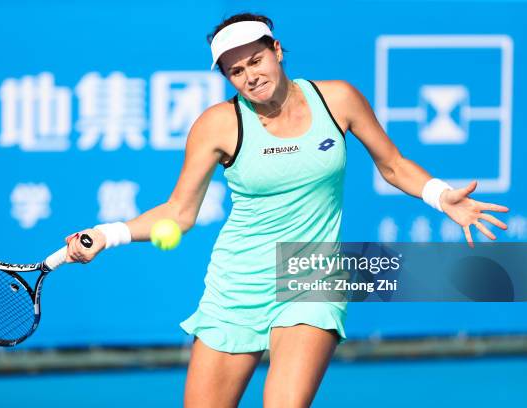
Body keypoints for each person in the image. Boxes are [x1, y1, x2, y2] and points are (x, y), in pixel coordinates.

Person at [63, 13, 510, 408]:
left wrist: (438, 194)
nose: (249, 76)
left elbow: (392, 165)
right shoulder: (218, 124)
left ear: (276, 50)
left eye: (256, 61)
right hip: (236, 284)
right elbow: (179, 212)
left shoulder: (338, 100)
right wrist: (108, 233)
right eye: (235, 71)